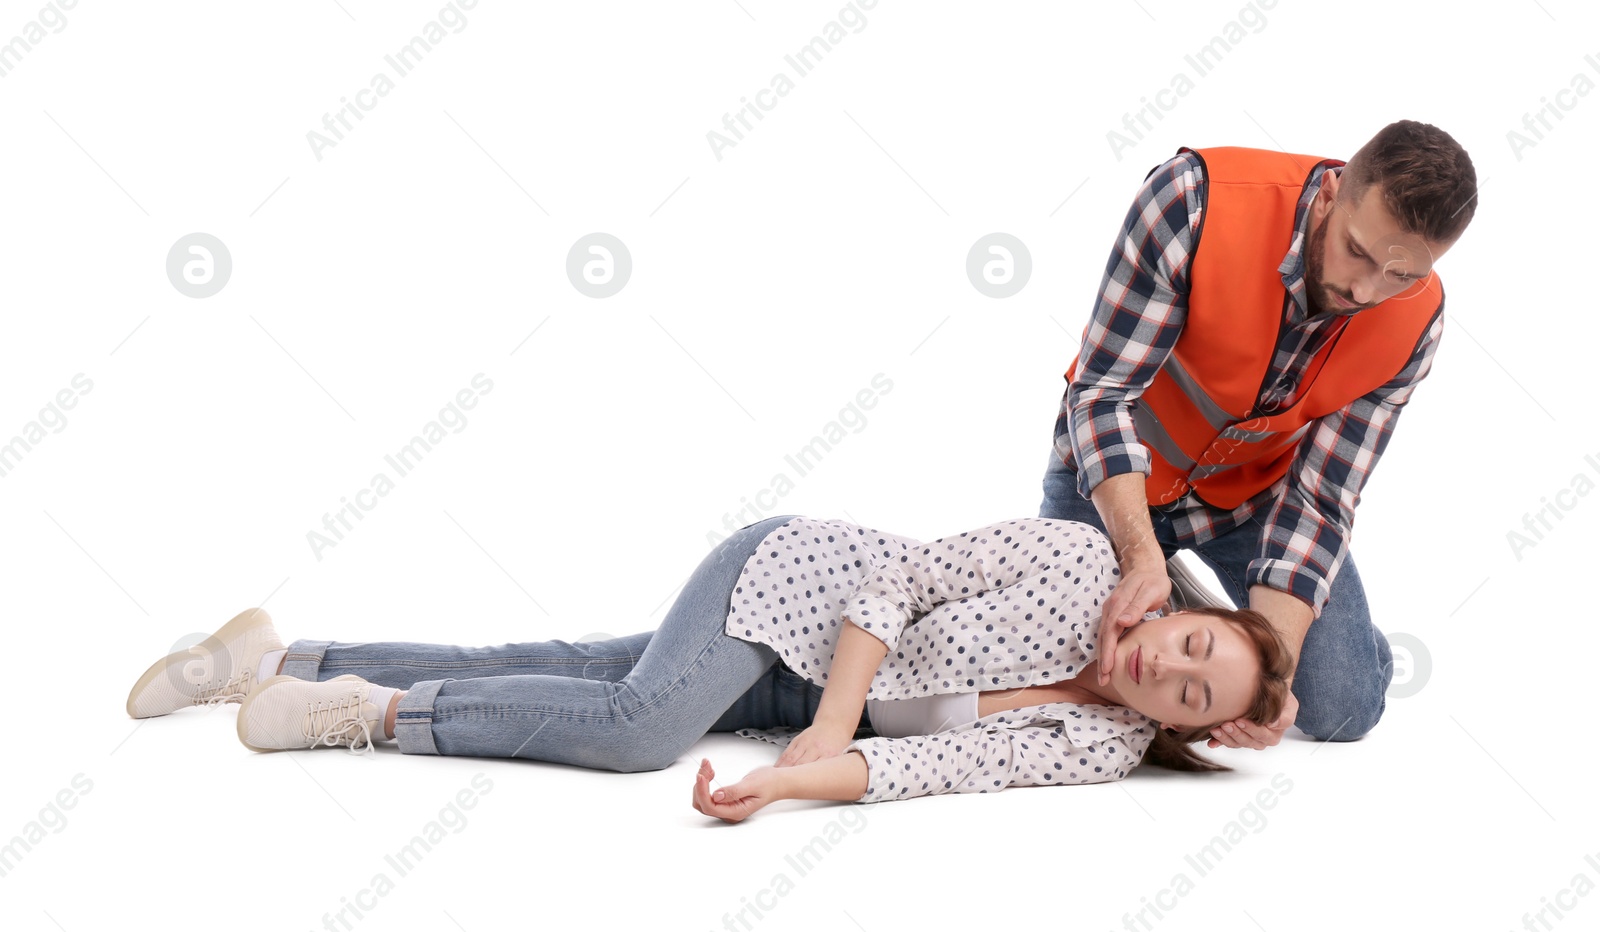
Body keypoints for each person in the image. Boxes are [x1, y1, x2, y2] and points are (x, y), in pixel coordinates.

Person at [125, 514, 1292, 823]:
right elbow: (892, 584)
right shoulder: (1081, 560)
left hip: (798, 696)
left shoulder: (1098, 745)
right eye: (1197, 645)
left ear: (1183, 727)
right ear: (1191, 608)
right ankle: (365, 711)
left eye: (1194, 696)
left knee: (555, 667)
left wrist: (784, 780)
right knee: (640, 722)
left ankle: (268, 655)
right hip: (803, 583)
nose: (1170, 671)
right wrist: (832, 724)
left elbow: (925, 774)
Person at [1040, 120, 1477, 752]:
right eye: (1357, 250)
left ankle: (1210, 607)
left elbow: (1322, 498)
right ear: (1331, 194)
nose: (1365, 289)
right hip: (1112, 480)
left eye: (1399, 275)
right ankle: (1169, 581)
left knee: (1341, 710)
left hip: (1251, 502)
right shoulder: (1191, 200)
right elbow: (1103, 396)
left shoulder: (1417, 324)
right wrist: (1138, 556)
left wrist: (1269, 671)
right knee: (1071, 673)